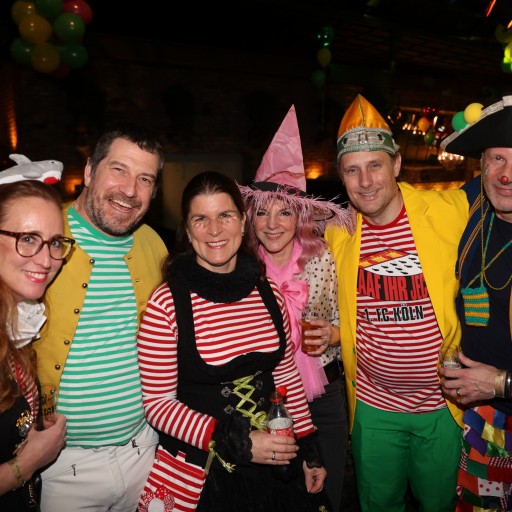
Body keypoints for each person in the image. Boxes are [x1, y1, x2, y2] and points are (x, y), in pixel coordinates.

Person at [137, 170, 328, 512]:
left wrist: (307, 448)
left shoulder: (269, 292)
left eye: (225, 215)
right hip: (204, 471)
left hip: (276, 465)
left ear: (242, 222)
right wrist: (234, 440)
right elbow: (158, 405)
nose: (214, 230)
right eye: (201, 219)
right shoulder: (165, 304)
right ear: (188, 230)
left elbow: (285, 376)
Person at [324, 94, 469, 512]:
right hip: (373, 409)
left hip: (443, 405)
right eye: (352, 170)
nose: (365, 181)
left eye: (375, 165)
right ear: (341, 176)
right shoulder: (337, 234)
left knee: (441, 505)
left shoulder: (452, 210)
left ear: (397, 164)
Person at [33, 125, 169, 512]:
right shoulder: (43, 235)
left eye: (145, 179)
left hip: (144, 452)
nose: (130, 190)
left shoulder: (154, 244)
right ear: (91, 171)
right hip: (62, 465)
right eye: (119, 170)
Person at [240, 105, 353, 512]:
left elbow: (350, 317)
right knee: (281, 498)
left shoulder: (324, 258)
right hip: (267, 397)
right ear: (250, 217)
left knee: (329, 492)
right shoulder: (242, 269)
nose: (273, 223)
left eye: (284, 211)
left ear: (300, 215)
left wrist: (334, 335)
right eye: (262, 211)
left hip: (326, 395)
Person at [439, 95, 512, 511]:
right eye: (497, 159)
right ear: (481, 165)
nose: (506, 174)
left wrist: (500, 383)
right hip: (485, 419)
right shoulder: (473, 205)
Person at [0, 179, 69, 510]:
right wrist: (27, 463)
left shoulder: (17, 325)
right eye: (27, 239)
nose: (45, 261)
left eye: (54, 243)